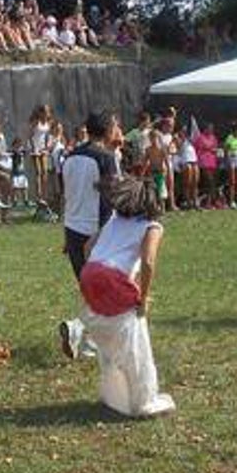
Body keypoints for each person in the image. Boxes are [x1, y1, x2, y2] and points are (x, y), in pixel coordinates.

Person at [77, 176, 175, 418]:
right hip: (113, 278)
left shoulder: (113, 220)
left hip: (89, 273)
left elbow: (87, 246)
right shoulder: (152, 227)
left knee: (107, 334)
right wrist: (142, 299)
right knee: (134, 338)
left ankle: (114, 394)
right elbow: (149, 262)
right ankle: (143, 400)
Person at [59, 111, 120, 360]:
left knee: (90, 290)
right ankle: (78, 329)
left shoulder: (70, 157)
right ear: (107, 131)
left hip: (72, 229)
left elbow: (67, 195)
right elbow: (113, 195)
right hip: (96, 231)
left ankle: (90, 342)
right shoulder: (106, 158)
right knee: (107, 291)